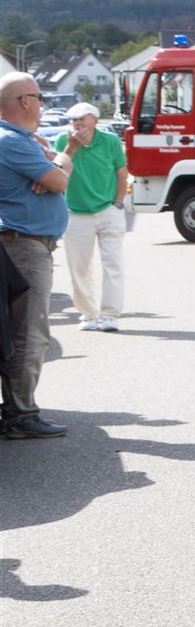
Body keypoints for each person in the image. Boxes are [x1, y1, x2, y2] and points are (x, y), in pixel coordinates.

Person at [0, 72, 71, 439]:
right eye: (40, 98)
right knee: (29, 332)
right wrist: (56, 165)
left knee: (18, 331)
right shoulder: (13, 142)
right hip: (25, 246)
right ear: (25, 101)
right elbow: (60, 181)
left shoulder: (17, 141)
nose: (43, 105)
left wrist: (50, 164)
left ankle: (17, 410)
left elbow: (54, 179)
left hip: (22, 244)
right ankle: (20, 415)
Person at [53, 102, 128, 332]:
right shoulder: (63, 140)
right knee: (79, 267)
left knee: (112, 263)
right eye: (74, 120)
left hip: (107, 210)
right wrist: (71, 148)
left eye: (82, 119)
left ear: (95, 120)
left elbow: (121, 173)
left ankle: (110, 315)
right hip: (76, 212)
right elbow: (57, 171)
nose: (78, 124)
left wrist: (118, 203)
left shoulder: (110, 141)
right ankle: (88, 314)